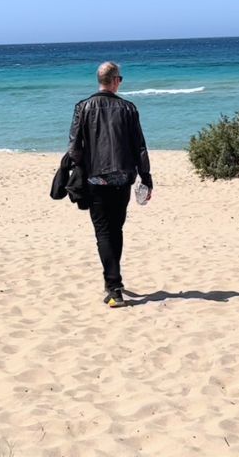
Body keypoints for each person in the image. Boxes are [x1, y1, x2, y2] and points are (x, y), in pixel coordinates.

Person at [68, 61, 152, 308]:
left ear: (101, 80)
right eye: (120, 78)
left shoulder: (83, 107)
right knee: (116, 230)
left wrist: (80, 169)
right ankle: (114, 283)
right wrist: (146, 176)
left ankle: (113, 286)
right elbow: (140, 146)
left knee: (104, 232)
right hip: (123, 178)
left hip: (96, 178)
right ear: (116, 80)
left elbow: (74, 148)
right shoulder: (128, 108)